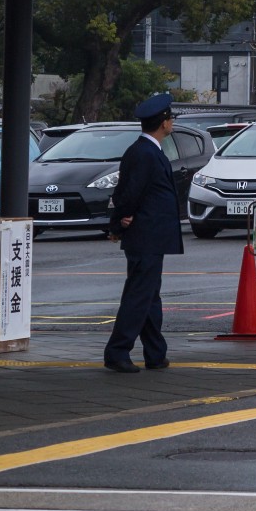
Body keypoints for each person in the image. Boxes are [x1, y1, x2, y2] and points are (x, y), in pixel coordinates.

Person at [105, 92, 183, 373]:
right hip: (145, 235)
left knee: (149, 296)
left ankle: (155, 352)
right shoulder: (144, 153)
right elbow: (128, 194)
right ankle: (117, 351)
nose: (172, 121)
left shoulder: (149, 150)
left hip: (151, 235)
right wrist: (117, 223)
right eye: (170, 117)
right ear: (163, 123)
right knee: (139, 295)